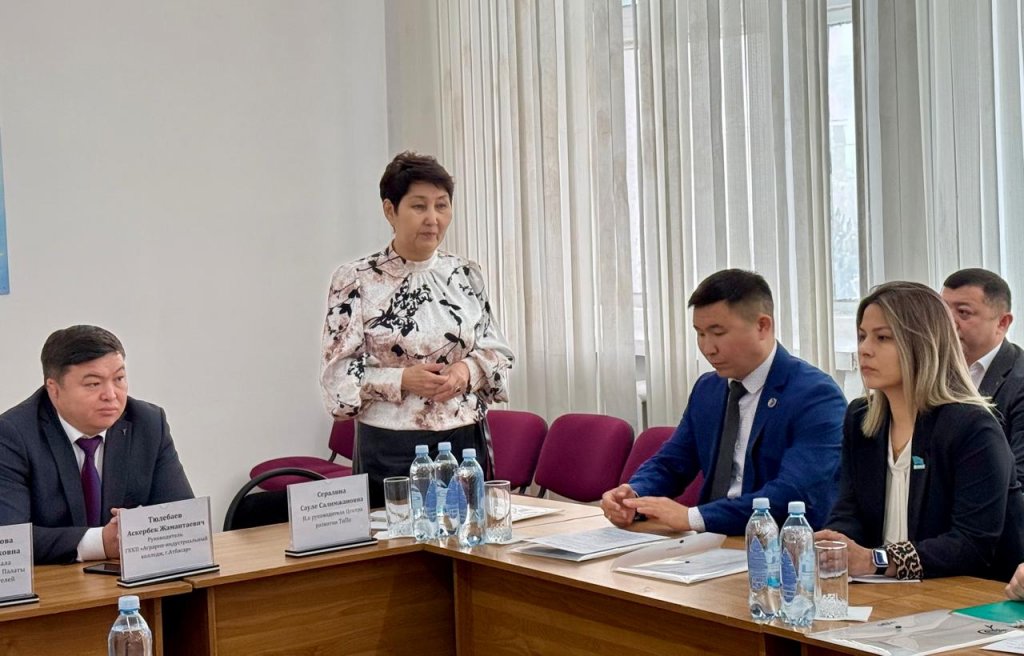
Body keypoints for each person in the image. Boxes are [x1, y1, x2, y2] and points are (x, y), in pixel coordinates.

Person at [320, 151, 514, 508]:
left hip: (465, 442)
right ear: (390, 210)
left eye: (442, 206)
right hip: (390, 448)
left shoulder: (465, 274)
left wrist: (466, 371)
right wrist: (402, 380)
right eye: (419, 206)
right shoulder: (356, 280)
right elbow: (337, 381)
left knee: (466, 536)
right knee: (396, 539)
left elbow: (498, 353)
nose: (432, 219)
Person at [600, 269, 846, 535]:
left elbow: (793, 494)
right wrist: (633, 495)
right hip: (710, 541)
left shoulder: (816, 396)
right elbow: (672, 462)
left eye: (718, 333)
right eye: (700, 334)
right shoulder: (708, 389)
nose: (708, 348)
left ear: (762, 326)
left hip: (780, 545)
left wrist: (692, 517)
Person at [819, 282, 1024, 581]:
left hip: (963, 596)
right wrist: (834, 546)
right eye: (862, 336)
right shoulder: (860, 418)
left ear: (922, 343)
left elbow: (971, 546)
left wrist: (875, 560)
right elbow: (849, 512)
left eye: (882, 338)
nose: (864, 349)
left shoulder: (973, 427)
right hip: (883, 589)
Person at [0, 325, 194, 565]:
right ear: (54, 389)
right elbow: (8, 539)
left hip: (128, 578)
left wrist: (142, 528)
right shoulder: (12, 435)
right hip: (52, 582)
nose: (111, 395)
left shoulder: (148, 423)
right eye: (93, 384)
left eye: (119, 379)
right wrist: (100, 541)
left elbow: (183, 521)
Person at [941, 268, 1024, 485]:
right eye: (943, 311)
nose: (949, 323)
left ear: (1002, 323)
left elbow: (1019, 476)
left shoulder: (1019, 381)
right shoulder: (931, 370)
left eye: (963, 313)